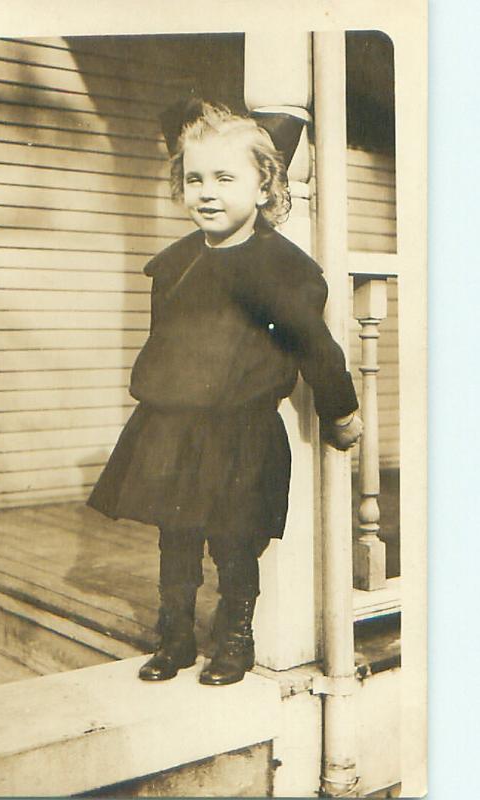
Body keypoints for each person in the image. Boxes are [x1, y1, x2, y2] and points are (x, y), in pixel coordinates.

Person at [87, 102, 363, 686]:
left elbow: (315, 344)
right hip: (172, 423)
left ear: (264, 186)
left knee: (237, 540)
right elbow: (164, 340)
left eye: (225, 178)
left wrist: (341, 409)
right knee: (177, 534)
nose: (206, 193)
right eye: (194, 178)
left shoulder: (279, 267)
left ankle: (234, 639)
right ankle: (176, 635)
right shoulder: (177, 265)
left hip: (240, 428)